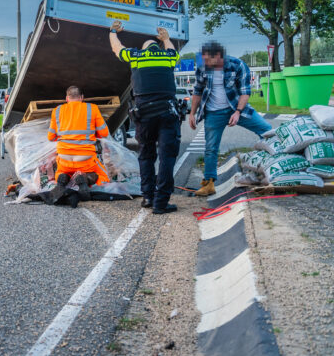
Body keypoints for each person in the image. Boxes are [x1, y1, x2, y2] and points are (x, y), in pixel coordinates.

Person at [109, 20, 180, 214]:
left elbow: (117, 49)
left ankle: (148, 196)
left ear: (143, 48)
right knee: (167, 157)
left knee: (146, 155)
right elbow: (172, 49)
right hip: (167, 112)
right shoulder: (168, 57)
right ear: (158, 47)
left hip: (144, 114)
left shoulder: (137, 56)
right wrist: (166, 38)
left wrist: (113, 31)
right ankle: (161, 202)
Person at [189, 41, 272, 196]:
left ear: (219, 56)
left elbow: (245, 91)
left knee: (267, 131)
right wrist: (192, 113)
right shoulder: (202, 68)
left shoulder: (238, 65)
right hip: (213, 112)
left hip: (236, 108)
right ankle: (209, 184)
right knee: (211, 148)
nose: (205, 63)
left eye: (208, 60)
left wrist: (238, 112)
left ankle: (273, 167)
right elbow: (198, 90)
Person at [45, 85, 110, 202]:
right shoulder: (92, 108)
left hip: (65, 159)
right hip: (85, 160)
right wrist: (94, 135)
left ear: (67, 98)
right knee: (104, 176)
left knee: (60, 171)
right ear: (81, 97)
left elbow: (50, 137)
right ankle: (85, 179)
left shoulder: (57, 110)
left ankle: (62, 179)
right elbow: (104, 133)